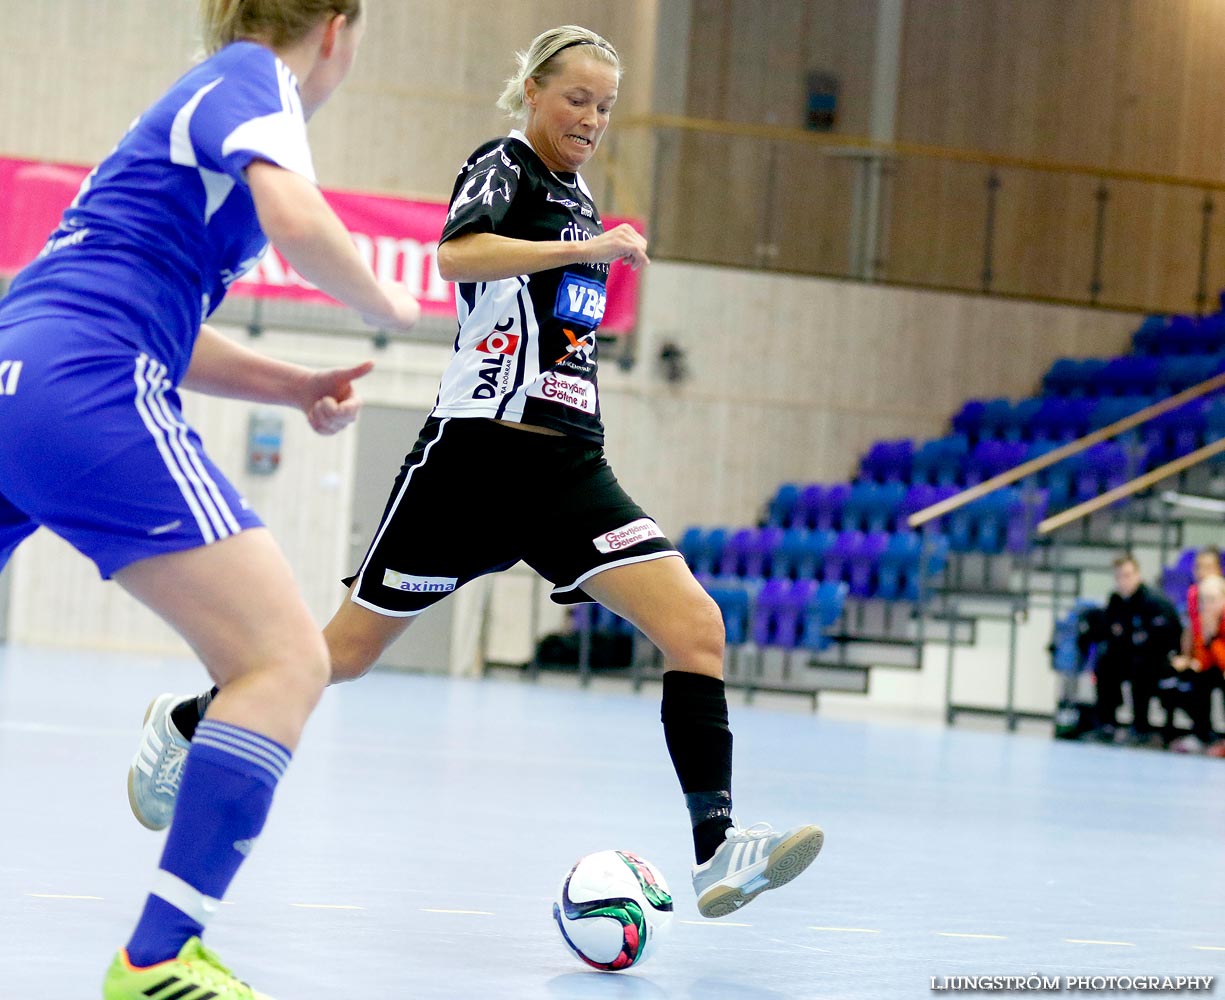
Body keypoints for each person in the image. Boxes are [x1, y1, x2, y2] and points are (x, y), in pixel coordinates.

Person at [130, 24, 823, 922]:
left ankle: (716, 850)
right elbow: (456, 255)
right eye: (575, 98)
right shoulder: (504, 166)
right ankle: (183, 724)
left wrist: (585, 247)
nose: (589, 119)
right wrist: (583, 252)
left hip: (570, 468)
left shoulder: (580, 204)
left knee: (696, 625)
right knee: (331, 658)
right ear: (533, 90)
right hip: (473, 461)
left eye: (605, 107)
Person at [0, 2, 420, 997]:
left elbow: (163, 319)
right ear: (336, 27)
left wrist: (293, 385)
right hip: (84, 380)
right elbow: (296, 217)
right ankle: (157, 958)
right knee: (283, 659)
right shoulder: (250, 76)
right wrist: (387, 301)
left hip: (18, 366)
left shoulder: (184, 123)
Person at [1090, 555, 1181, 746]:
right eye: (1119, 577)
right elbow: (1107, 631)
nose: (1123, 581)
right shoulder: (1115, 601)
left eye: (1127, 575)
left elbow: (1167, 636)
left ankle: (1141, 727)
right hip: (1126, 656)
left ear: (1138, 575)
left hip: (1155, 660)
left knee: (1141, 668)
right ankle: (1107, 724)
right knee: (1105, 663)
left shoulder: (1155, 601)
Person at [1167, 573, 1225, 754]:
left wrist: (1213, 638)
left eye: (1212, 599)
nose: (1207, 605)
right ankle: (1201, 734)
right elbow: (1204, 662)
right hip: (1216, 666)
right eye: (1203, 600)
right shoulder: (1203, 620)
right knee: (1195, 678)